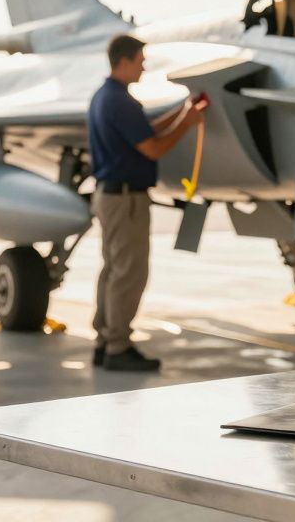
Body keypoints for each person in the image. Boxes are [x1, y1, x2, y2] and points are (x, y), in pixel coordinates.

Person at [86, 34, 205, 371]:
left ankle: (105, 341)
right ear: (124, 61)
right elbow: (152, 148)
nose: (144, 66)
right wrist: (188, 122)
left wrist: (183, 112)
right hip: (127, 202)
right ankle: (118, 347)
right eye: (140, 60)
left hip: (110, 196)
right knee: (129, 273)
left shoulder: (105, 97)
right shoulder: (120, 102)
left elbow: (146, 132)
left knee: (112, 270)